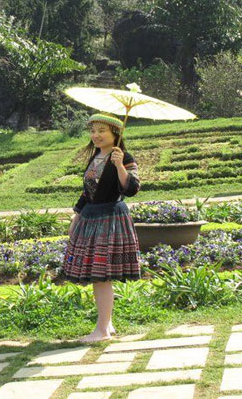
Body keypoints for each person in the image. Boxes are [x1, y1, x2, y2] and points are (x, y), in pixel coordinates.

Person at [62, 113, 141, 343]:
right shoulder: (96, 156)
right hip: (91, 217)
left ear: (115, 133)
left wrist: (119, 167)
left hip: (110, 220)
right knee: (100, 275)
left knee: (102, 276)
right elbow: (88, 191)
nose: (95, 135)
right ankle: (107, 323)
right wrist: (77, 214)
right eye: (93, 131)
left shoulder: (123, 156)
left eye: (101, 131)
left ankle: (102, 331)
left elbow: (131, 188)